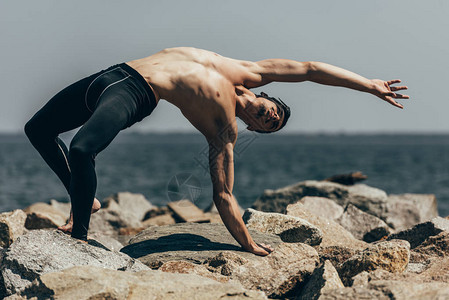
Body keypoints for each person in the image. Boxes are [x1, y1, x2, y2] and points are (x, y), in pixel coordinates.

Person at [24, 47, 409, 256]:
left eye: (270, 125)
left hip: (137, 92)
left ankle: (79, 236)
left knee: (81, 149)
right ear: (263, 96)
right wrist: (368, 84)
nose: (269, 117)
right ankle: (84, 197)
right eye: (273, 111)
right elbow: (309, 68)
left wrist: (248, 244)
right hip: (114, 73)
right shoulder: (246, 70)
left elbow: (223, 196)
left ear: (253, 129)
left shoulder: (223, 130)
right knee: (37, 129)